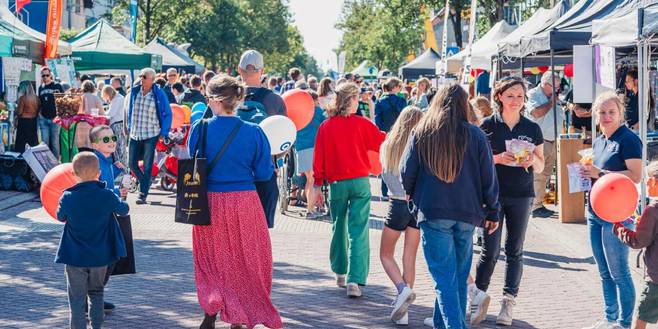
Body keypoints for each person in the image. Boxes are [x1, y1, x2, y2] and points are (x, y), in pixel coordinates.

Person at [401, 84, 500, 329]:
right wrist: (493, 210)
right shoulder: (475, 134)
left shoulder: (423, 131)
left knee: (445, 278)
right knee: (454, 275)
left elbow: (406, 172)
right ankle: (442, 323)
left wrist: (413, 197)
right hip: (467, 211)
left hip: (433, 210)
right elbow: (489, 176)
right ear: (464, 104)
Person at [187, 75, 282, 329]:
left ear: (213, 100)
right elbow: (263, 174)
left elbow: (192, 159)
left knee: (210, 259)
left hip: (209, 202)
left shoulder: (200, 128)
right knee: (246, 259)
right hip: (244, 201)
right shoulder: (254, 132)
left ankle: (212, 305)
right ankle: (240, 314)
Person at [472, 76, 545, 327]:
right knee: (489, 251)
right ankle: (478, 298)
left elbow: (541, 162)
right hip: (492, 195)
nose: (516, 100)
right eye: (511, 95)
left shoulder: (532, 127)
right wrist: (499, 158)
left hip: (522, 194)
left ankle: (508, 301)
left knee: (515, 250)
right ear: (499, 96)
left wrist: (530, 161)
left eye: (520, 96)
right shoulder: (486, 126)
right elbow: (476, 162)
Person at [313, 82, 386, 298]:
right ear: (351, 100)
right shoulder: (362, 124)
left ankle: (340, 272)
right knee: (359, 230)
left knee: (338, 226)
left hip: (337, 184)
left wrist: (317, 184)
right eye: (357, 99)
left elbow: (319, 159)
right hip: (360, 181)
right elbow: (382, 141)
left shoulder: (326, 126)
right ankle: (355, 279)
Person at [581, 91, 642, 329]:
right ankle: (609, 318)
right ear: (595, 115)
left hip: (618, 214)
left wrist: (601, 173)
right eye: (602, 112)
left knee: (619, 272)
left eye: (611, 112)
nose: (607, 116)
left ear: (620, 114)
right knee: (604, 271)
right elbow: (597, 175)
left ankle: (624, 323)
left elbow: (636, 175)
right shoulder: (599, 141)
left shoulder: (628, 139)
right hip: (595, 212)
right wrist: (585, 175)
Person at [55, 151, 129, 329]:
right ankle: (97, 326)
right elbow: (123, 210)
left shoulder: (68, 197)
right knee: (96, 293)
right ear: (99, 173)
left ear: (74, 174)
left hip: (74, 256)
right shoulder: (108, 195)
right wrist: (120, 196)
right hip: (100, 256)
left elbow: (60, 216)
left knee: (76, 298)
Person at [379, 106, 423, 325]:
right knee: (410, 256)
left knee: (386, 254)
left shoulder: (388, 146)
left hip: (396, 204)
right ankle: (404, 306)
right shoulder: (421, 146)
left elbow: (385, 177)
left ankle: (401, 289)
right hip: (416, 204)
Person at [237, 50, 287, 229]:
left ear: (239, 69)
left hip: (231, 175)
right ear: (262, 70)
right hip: (264, 173)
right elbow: (284, 144)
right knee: (259, 230)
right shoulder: (274, 100)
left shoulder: (227, 98)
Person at [613, 161, 658, 329]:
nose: (645, 183)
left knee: (642, 316)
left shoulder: (652, 210)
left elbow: (639, 241)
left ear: (655, 181)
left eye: (648, 179)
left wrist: (618, 228)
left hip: (656, 278)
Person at [127, 68, 172, 204]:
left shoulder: (158, 94)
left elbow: (167, 113)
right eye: (141, 76)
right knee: (132, 164)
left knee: (147, 166)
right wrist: (129, 126)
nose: (141, 79)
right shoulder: (135, 91)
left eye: (144, 77)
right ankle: (145, 183)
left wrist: (163, 133)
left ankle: (143, 194)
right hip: (135, 133)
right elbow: (129, 109)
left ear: (152, 79)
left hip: (151, 134)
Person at [526, 71, 561, 218]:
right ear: (545, 84)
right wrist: (551, 102)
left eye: (558, 87)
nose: (557, 90)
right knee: (538, 175)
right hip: (540, 142)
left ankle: (538, 203)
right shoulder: (533, 94)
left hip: (552, 141)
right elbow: (535, 113)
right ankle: (535, 206)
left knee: (545, 175)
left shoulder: (551, 96)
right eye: (555, 86)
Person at [375, 77, 407, 199]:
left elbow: (377, 121)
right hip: (400, 134)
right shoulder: (401, 100)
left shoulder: (379, 102)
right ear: (394, 87)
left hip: (385, 135)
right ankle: (400, 190)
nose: (400, 89)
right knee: (400, 161)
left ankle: (384, 192)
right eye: (399, 87)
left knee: (386, 162)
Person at [295, 102, 326, 219]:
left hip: (301, 148)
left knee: (310, 180)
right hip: (314, 147)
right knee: (312, 180)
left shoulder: (298, 111)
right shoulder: (317, 110)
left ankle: (311, 207)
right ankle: (310, 210)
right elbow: (326, 122)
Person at [38, 67, 64, 158]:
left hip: (55, 119)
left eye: (47, 75)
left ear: (51, 75)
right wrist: (40, 114)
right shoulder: (40, 88)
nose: (45, 77)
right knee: (44, 142)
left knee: (54, 142)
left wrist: (59, 115)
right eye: (43, 75)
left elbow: (63, 101)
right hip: (44, 118)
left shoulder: (57, 86)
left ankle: (55, 163)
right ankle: (45, 162)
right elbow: (40, 102)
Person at [101, 86, 127, 167]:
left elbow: (111, 113)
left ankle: (123, 169)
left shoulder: (117, 99)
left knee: (119, 147)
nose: (106, 99)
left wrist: (101, 113)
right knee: (119, 147)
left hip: (118, 125)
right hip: (118, 124)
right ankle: (122, 168)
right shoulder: (118, 98)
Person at [15, 81, 39, 153]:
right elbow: (38, 110)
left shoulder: (23, 98)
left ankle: (20, 161)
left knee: (21, 143)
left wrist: (15, 111)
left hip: (23, 122)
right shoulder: (36, 98)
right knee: (33, 143)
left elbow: (19, 112)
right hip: (33, 121)